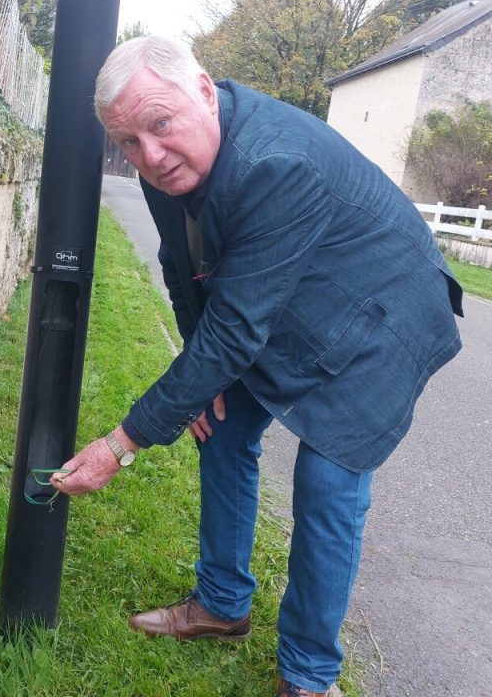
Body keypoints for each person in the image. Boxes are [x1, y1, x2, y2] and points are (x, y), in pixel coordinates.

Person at [51, 35, 463, 697]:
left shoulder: (274, 162)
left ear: (205, 92)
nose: (150, 156)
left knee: (328, 482)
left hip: (386, 309)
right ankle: (222, 604)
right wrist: (197, 382)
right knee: (219, 427)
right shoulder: (167, 165)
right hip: (294, 291)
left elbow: (238, 329)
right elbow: (181, 267)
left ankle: (307, 677)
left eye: (161, 124)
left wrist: (121, 444)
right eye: (128, 141)